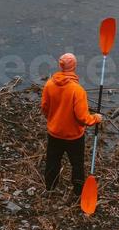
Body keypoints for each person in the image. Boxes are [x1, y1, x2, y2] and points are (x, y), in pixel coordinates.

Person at [41, 52, 102, 197]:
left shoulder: (49, 84)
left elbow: (44, 107)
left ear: (60, 66)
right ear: (74, 66)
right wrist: (96, 118)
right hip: (74, 137)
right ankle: (77, 192)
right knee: (77, 164)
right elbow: (83, 118)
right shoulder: (77, 90)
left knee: (52, 162)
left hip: (54, 133)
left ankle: (50, 189)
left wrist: (53, 119)